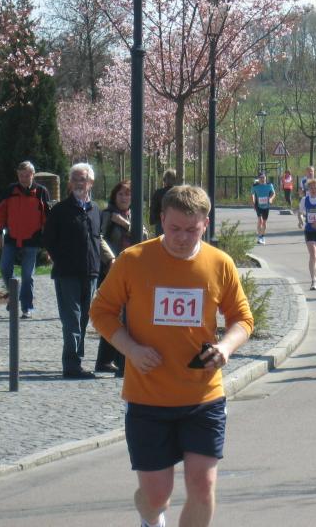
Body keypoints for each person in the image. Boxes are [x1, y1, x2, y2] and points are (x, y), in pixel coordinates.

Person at [89, 185, 253, 527]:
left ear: (205, 224)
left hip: (203, 395)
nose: (182, 237)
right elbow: (101, 311)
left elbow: (242, 319)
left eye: (191, 230)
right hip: (148, 397)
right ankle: (150, 518)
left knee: (202, 486)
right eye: (175, 228)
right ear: (162, 219)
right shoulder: (134, 260)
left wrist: (225, 348)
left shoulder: (219, 263)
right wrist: (131, 349)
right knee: (156, 496)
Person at [43, 163, 113, 379]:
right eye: (74, 179)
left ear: (91, 182)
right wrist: (62, 259)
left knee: (83, 319)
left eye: (82, 179)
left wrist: (108, 260)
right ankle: (71, 365)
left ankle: (77, 360)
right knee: (71, 319)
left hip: (90, 272)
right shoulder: (60, 210)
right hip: (67, 274)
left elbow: (97, 238)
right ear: (69, 183)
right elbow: (49, 240)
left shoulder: (96, 210)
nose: (78, 183)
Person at [0, 161, 50, 319]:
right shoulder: (10, 190)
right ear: (17, 175)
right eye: (21, 175)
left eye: (27, 175)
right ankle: (14, 292)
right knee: (4, 267)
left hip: (32, 239)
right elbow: (0, 212)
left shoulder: (41, 192)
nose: (24, 178)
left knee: (27, 275)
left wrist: (48, 242)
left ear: (33, 175)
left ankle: (27, 307)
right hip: (12, 237)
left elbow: (47, 217)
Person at [95, 180, 137, 376]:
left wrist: (126, 224)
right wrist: (110, 259)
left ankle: (108, 359)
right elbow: (99, 237)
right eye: (121, 194)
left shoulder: (132, 215)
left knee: (125, 315)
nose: (124, 198)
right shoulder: (107, 214)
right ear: (114, 196)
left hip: (132, 271)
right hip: (111, 270)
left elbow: (143, 236)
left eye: (128, 194)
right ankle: (114, 361)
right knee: (115, 314)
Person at [250, 171, 276, 245]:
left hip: (266, 206)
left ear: (265, 177)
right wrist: (253, 202)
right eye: (261, 178)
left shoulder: (269, 185)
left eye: (264, 177)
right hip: (258, 205)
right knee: (260, 220)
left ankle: (263, 236)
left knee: (264, 222)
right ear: (258, 178)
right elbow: (252, 194)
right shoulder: (255, 186)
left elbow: (273, 193)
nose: (262, 179)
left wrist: (271, 198)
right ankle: (259, 237)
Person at [149, 168, 177, 236]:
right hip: (176, 223)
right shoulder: (179, 193)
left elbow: (153, 208)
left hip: (161, 223)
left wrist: (153, 220)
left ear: (164, 180)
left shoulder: (158, 193)